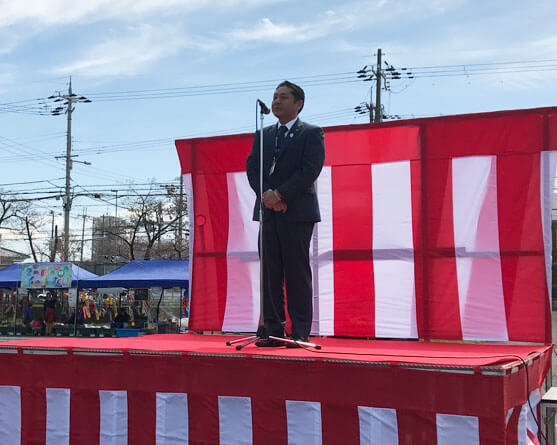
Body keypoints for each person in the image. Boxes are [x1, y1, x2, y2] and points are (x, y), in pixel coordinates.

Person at [246, 80, 325, 347]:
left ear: (298, 103)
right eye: (274, 97)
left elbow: (310, 169)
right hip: (268, 213)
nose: (276, 101)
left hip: (297, 212)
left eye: (283, 97)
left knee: (296, 273)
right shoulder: (264, 134)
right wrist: (267, 195)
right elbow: (253, 169)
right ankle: (273, 329)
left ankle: (300, 332)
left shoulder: (311, 133)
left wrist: (280, 194)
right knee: (270, 273)